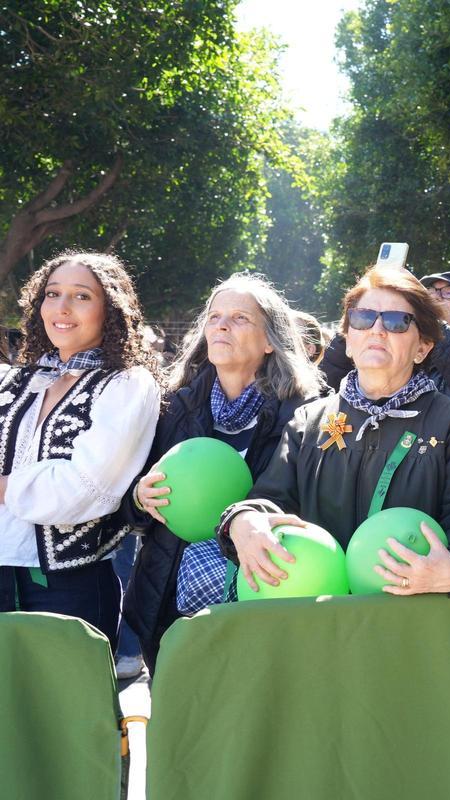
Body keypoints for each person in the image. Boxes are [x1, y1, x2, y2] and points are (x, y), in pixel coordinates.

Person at [219, 267, 450, 596]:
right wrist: (242, 519)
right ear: (348, 341)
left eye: (397, 321)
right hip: (319, 615)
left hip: (413, 610)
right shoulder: (307, 422)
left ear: (423, 347)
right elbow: (270, 501)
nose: (377, 330)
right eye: (363, 318)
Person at [122, 274, 323, 671]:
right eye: (214, 317)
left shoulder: (306, 414)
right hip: (169, 607)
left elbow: (313, 506)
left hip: (262, 599)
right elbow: (127, 503)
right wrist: (139, 497)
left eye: (239, 318)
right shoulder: (173, 405)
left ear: (270, 341)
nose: (222, 326)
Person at [0, 251, 161, 649]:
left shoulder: (126, 385)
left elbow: (84, 488)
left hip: (67, 585)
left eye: (82, 296)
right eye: (52, 294)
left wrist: (4, 487)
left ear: (111, 310)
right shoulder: (19, 380)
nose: (62, 307)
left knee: (68, 690)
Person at [320, 266, 450, 425]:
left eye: (449, 292)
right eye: (429, 292)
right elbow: (326, 383)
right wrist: (364, 314)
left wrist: (428, 320)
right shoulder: (395, 349)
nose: (435, 296)